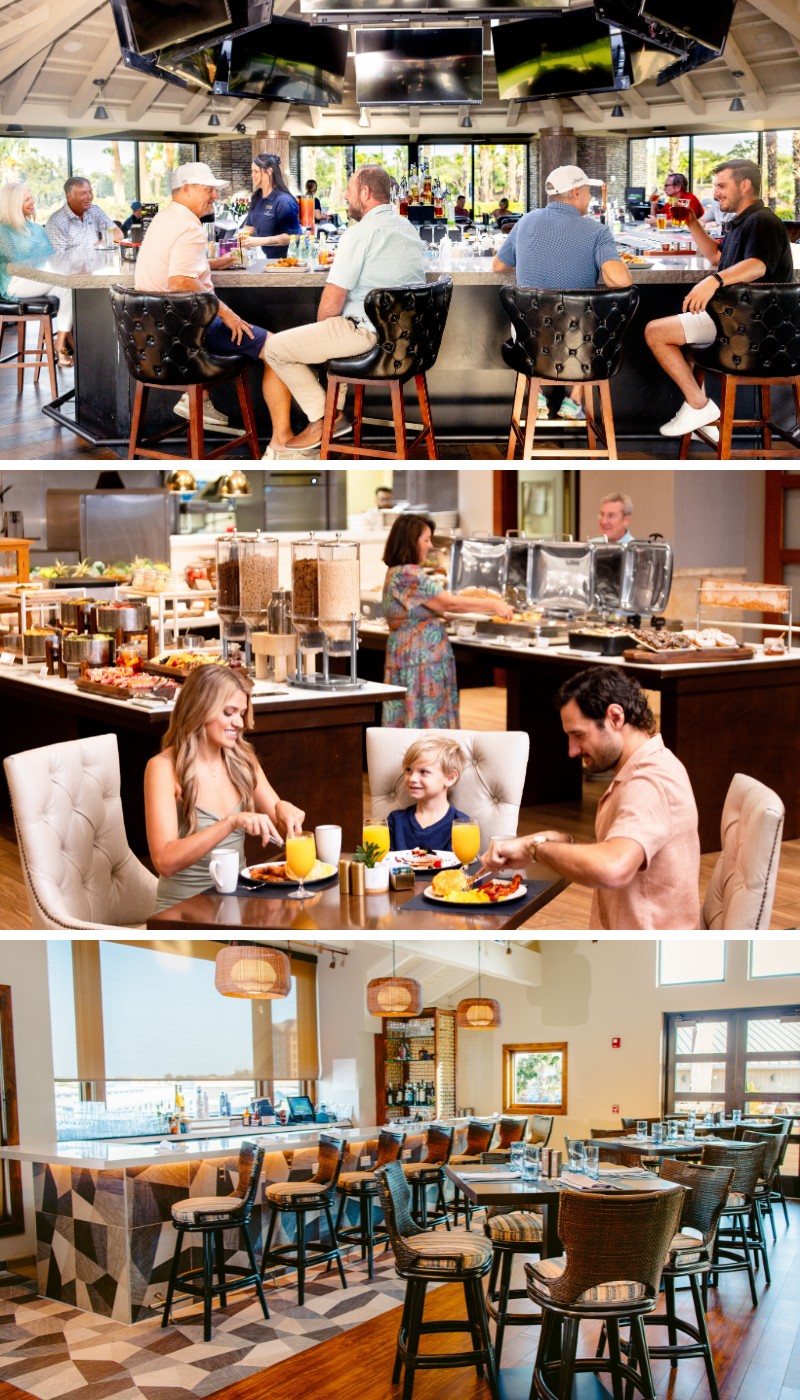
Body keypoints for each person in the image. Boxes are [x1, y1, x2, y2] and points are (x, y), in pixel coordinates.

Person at [478, 666, 701, 931]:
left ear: (615, 717)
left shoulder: (648, 782)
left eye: (579, 735)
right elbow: (617, 849)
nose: (572, 751)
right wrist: (559, 842)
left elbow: (613, 868)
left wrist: (533, 849)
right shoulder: (645, 767)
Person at [261, 165, 427, 458]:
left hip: (368, 335)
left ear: (365, 192)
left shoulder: (359, 233)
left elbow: (331, 302)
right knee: (334, 337)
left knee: (274, 348)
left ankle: (324, 419)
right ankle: (330, 416)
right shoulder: (407, 228)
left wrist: (322, 338)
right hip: (407, 340)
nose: (345, 198)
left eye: (349, 191)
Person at [645, 158, 794, 437]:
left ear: (745, 185)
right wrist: (692, 222)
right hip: (736, 318)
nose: (716, 193)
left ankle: (700, 407)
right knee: (680, 337)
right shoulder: (744, 221)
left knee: (656, 332)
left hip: (749, 327)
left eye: (722, 186)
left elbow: (757, 265)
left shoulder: (762, 222)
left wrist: (713, 281)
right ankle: (703, 419)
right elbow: (716, 256)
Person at [144, 665, 305, 913]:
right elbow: (164, 861)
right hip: (181, 914)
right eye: (229, 713)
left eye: (242, 713)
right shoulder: (163, 768)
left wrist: (284, 810)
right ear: (200, 708)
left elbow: (281, 830)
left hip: (236, 908)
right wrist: (230, 823)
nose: (239, 723)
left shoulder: (242, 760)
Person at [134, 161, 271, 434]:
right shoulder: (189, 226)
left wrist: (214, 264)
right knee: (276, 349)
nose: (215, 196)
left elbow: (177, 266)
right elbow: (180, 281)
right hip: (185, 333)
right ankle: (284, 439)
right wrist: (228, 315)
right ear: (187, 189)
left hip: (153, 333)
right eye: (209, 189)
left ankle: (199, 398)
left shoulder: (164, 218)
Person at [493, 165, 632, 424]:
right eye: (588, 191)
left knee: (527, 323)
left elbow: (499, 266)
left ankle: (536, 394)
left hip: (531, 341)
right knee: (592, 324)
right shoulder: (597, 231)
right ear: (576, 192)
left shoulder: (525, 221)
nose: (590, 198)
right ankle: (575, 399)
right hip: (581, 342)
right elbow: (621, 280)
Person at [381, 514, 513, 728]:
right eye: (426, 540)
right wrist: (493, 604)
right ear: (410, 541)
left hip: (412, 657)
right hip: (421, 660)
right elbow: (448, 603)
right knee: (427, 723)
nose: (430, 546)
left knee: (410, 720)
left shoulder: (396, 572)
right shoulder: (408, 573)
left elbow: (427, 607)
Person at [0, 181, 74, 369]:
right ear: (13, 203)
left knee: (68, 289)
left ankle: (61, 343)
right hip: (14, 284)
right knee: (65, 282)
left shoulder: (37, 229)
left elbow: (52, 257)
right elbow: (16, 263)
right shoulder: (3, 232)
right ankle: (67, 343)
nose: (32, 202)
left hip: (37, 280)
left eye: (31, 198)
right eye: (27, 199)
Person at [387, 736, 470, 851]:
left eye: (423, 772)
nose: (412, 778)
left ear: (450, 777)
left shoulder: (462, 825)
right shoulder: (395, 821)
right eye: (408, 770)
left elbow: (466, 861)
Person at [45, 176, 123, 264]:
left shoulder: (94, 210)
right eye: (83, 193)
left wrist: (100, 244)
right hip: (72, 271)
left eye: (90, 192)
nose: (89, 197)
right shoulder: (56, 222)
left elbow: (118, 233)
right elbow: (57, 261)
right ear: (68, 196)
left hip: (94, 268)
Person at [240, 154, 302, 259]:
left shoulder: (284, 201)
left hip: (286, 262)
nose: (252, 175)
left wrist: (258, 241)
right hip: (265, 261)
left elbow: (292, 237)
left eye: (255, 171)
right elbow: (249, 228)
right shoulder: (256, 198)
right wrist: (236, 238)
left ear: (269, 172)